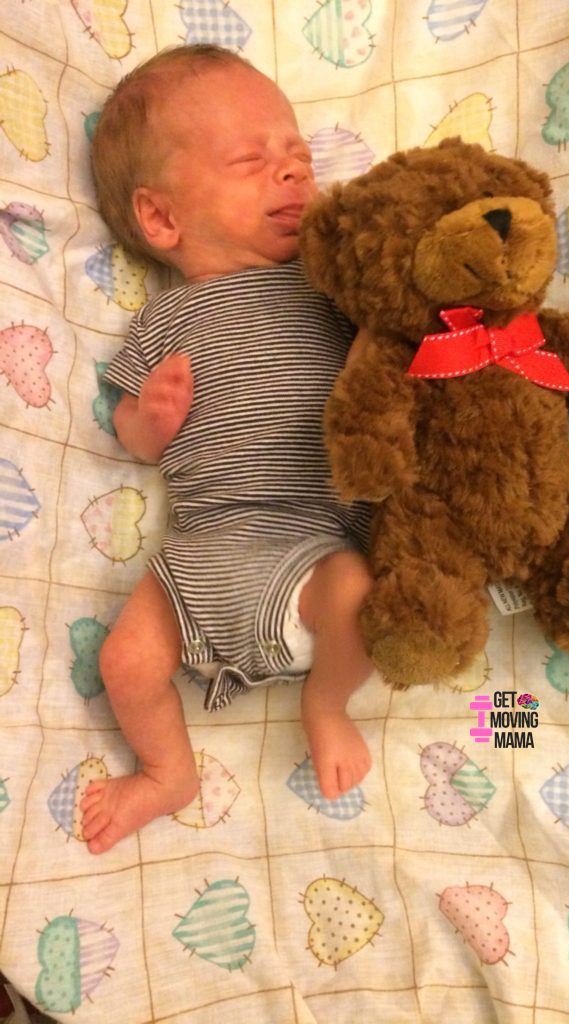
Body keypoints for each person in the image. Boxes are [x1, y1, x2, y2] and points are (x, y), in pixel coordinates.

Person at [81, 44, 374, 855]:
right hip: (205, 552)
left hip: (317, 539)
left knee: (357, 594)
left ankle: (328, 702)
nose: (293, 175)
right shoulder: (160, 324)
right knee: (125, 661)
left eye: (299, 157)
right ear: (162, 218)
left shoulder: (331, 283)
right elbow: (130, 439)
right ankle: (167, 773)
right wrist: (152, 420)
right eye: (253, 160)